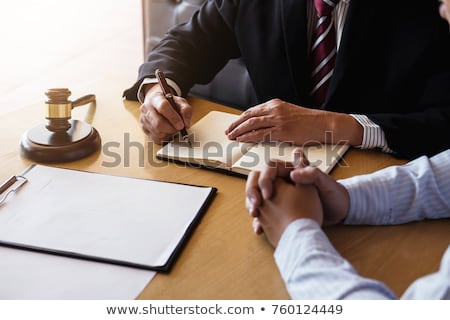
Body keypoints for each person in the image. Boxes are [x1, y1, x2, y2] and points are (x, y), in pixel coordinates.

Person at [124, 1, 450, 160]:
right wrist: (155, 93)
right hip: (265, 176)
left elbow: (442, 122)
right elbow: (186, 42)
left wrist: (337, 126)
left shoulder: (430, 8)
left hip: (381, 177)